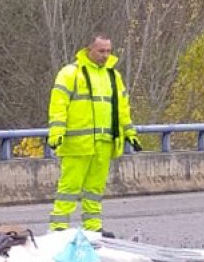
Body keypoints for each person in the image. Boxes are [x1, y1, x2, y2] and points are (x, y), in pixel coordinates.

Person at [47, 34, 141, 233]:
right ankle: (59, 228)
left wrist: (129, 131)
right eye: (101, 51)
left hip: (103, 143)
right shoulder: (71, 73)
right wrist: (56, 130)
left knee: (94, 191)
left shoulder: (113, 76)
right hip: (77, 143)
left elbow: (122, 107)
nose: (105, 55)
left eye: (108, 51)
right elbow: (58, 104)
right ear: (89, 49)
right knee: (69, 188)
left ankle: (93, 229)